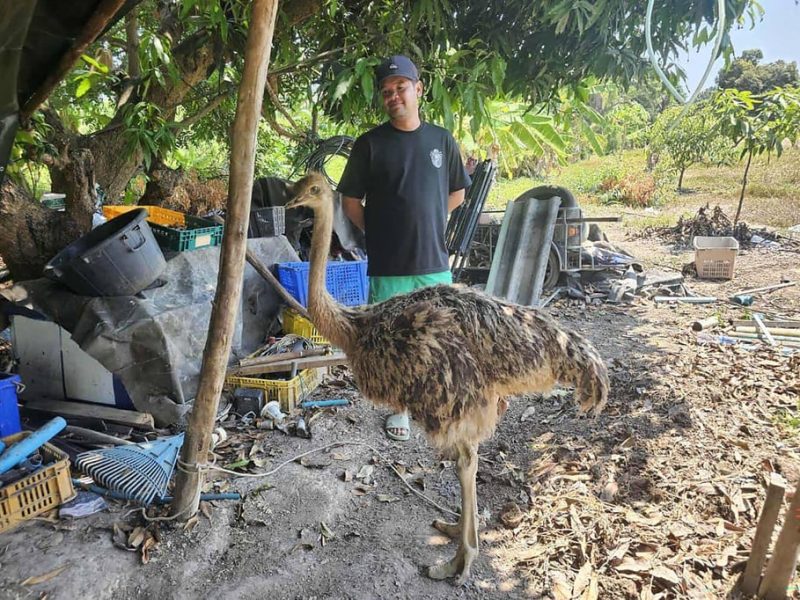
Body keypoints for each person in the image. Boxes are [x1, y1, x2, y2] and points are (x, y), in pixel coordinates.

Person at [337, 55, 472, 441]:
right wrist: (377, 232)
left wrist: (430, 219)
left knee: (442, 335)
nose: (393, 95)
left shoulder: (441, 140)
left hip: (433, 260)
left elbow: (458, 192)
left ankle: (436, 400)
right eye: (386, 91)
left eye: (400, 87)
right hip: (388, 264)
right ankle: (399, 408)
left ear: (418, 89)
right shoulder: (370, 144)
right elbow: (350, 202)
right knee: (391, 340)